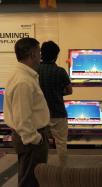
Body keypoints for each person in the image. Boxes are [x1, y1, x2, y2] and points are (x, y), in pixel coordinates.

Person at [4, 37, 50, 187]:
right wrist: (35, 139)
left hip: (30, 137)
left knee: (29, 177)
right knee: (31, 180)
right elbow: (22, 118)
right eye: (39, 52)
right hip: (31, 140)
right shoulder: (23, 81)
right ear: (32, 54)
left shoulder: (23, 76)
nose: (41, 56)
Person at [38, 41, 72, 167]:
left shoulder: (35, 70)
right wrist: (58, 93)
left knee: (41, 143)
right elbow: (69, 90)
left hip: (40, 114)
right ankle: (63, 169)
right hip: (58, 113)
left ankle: (41, 169)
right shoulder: (60, 71)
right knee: (61, 143)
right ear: (56, 55)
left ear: (41, 53)